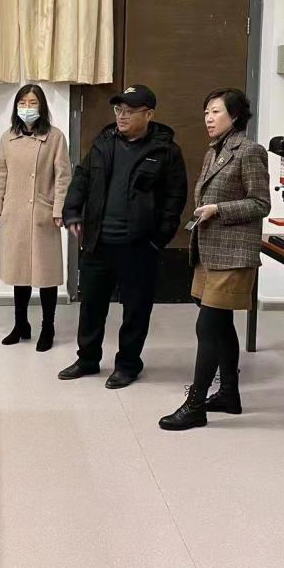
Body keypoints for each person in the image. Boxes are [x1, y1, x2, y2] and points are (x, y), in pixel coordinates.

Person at [59, 84, 187, 389]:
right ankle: (87, 359)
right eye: (119, 110)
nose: (122, 116)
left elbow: (175, 199)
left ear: (149, 114)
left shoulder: (165, 151)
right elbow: (82, 177)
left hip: (139, 245)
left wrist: (158, 239)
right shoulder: (104, 142)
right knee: (91, 305)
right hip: (98, 242)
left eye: (129, 111)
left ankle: (128, 365)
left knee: (135, 310)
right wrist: (72, 211)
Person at [159, 88, 270, 431]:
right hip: (210, 251)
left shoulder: (249, 151)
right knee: (220, 324)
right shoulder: (214, 150)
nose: (208, 118)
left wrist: (219, 209)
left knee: (207, 326)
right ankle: (229, 394)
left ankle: (195, 405)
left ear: (235, 116)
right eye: (206, 112)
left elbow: (261, 203)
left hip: (233, 253)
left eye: (216, 112)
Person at [0, 85, 72, 351]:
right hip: (15, 213)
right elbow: (1, 174)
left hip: (43, 213)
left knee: (46, 274)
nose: (27, 107)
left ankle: (48, 327)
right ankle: (21, 325)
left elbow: (63, 177)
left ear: (42, 107)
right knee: (19, 272)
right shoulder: (7, 138)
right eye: (22, 103)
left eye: (33, 102)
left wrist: (59, 210)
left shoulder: (55, 137)